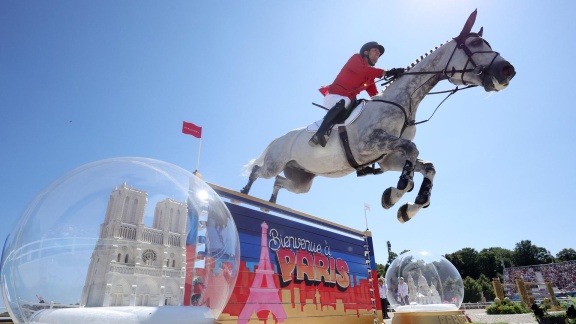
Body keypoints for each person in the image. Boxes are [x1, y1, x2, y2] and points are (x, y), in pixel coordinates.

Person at [309, 41, 404, 148]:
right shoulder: (356, 59)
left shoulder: (370, 77)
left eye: (379, 53)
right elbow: (363, 71)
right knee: (346, 100)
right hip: (334, 97)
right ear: (366, 52)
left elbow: (375, 95)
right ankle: (320, 133)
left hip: (348, 101)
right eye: (376, 50)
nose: (378, 54)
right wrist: (387, 72)